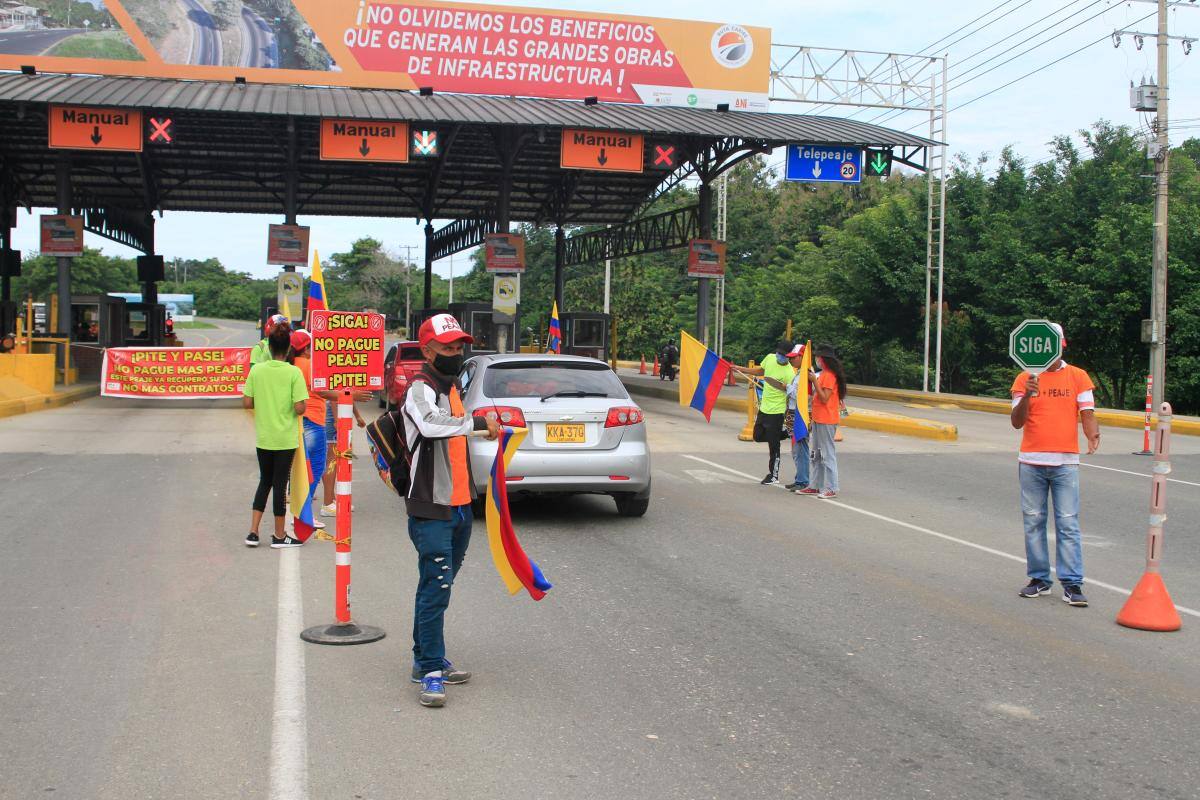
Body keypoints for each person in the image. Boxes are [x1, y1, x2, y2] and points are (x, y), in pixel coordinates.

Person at [401, 313, 499, 708]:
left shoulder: (451, 385)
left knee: (438, 586)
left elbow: (457, 428)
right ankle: (430, 670)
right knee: (436, 585)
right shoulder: (420, 389)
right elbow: (430, 425)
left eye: (459, 346)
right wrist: (474, 421)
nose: (455, 352)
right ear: (427, 350)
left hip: (459, 505)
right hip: (432, 505)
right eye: (447, 347)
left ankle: (425, 657)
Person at [1010, 323, 1099, 607]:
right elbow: (1016, 421)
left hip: (1065, 463)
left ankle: (1072, 584)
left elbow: (1087, 411)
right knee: (1033, 521)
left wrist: (1092, 433)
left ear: (1061, 344)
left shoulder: (1078, 376)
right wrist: (1029, 394)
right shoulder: (1024, 378)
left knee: (1068, 523)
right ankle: (1039, 579)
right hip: (1031, 462)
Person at [242, 324, 308, 548]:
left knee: (265, 482)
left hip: (264, 436)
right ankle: (280, 536)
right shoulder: (294, 372)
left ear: (269, 347)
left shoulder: (256, 371)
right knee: (280, 486)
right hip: (285, 439)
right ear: (289, 348)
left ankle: (253, 531)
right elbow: (300, 408)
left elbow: (247, 402)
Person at [731, 339, 796, 485]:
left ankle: (773, 475)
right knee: (758, 436)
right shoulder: (770, 358)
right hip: (764, 408)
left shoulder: (789, 373)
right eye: (778, 352)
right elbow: (761, 370)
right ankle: (785, 433)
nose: (779, 355)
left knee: (774, 445)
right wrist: (741, 369)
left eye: (783, 354)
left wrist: (786, 414)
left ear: (789, 356)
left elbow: (791, 395)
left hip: (777, 411)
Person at [798, 346, 846, 499]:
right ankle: (815, 485)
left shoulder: (829, 376)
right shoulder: (824, 374)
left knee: (827, 454)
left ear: (823, 359)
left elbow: (825, 397)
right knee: (816, 454)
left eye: (818, 357)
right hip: (819, 418)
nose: (816, 360)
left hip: (826, 419)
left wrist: (814, 381)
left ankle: (832, 487)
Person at [782, 342, 811, 491]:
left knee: (801, 448)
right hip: (794, 413)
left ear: (802, 357)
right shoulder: (800, 373)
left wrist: (787, 387)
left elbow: (798, 395)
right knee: (796, 449)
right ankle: (800, 477)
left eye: (794, 357)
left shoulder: (805, 375)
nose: (791, 360)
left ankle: (803, 480)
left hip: (799, 413)